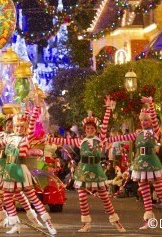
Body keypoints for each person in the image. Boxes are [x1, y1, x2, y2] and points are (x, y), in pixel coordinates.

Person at [46, 96, 125, 233]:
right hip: (83, 170)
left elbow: (105, 125)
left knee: (105, 197)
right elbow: (66, 141)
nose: (89, 130)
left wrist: (107, 109)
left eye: (91, 128)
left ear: (95, 129)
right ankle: (86, 223)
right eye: (87, 128)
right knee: (82, 197)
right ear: (84, 129)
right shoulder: (80, 141)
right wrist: (49, 138)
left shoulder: (99, 139)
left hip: (96, 169)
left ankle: (116, 221)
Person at [0, 103, 57, 235]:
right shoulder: (8, 137)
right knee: (7, 197)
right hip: (8, 169)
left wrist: (36, 108)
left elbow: (31, 126)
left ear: (24, 129)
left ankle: (48, 223)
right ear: (13, 127)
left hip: (19, 169)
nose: (19, 129)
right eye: (17, 126)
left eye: (21, 127)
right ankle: (15, 224)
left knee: (32, 197)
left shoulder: (26, 138)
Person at [108, 97, 162, 230]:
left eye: (146, 120)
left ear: (152, 120)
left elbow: (153, 114)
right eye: (142, 120)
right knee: (145, 192)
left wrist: (150, 103)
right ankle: (148, 220)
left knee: (160, 191)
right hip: (140, 164)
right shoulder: (138, 134)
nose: (144, 122)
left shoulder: (155, 132)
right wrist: (108, 139)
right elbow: (122, 137)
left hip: (152, 163)